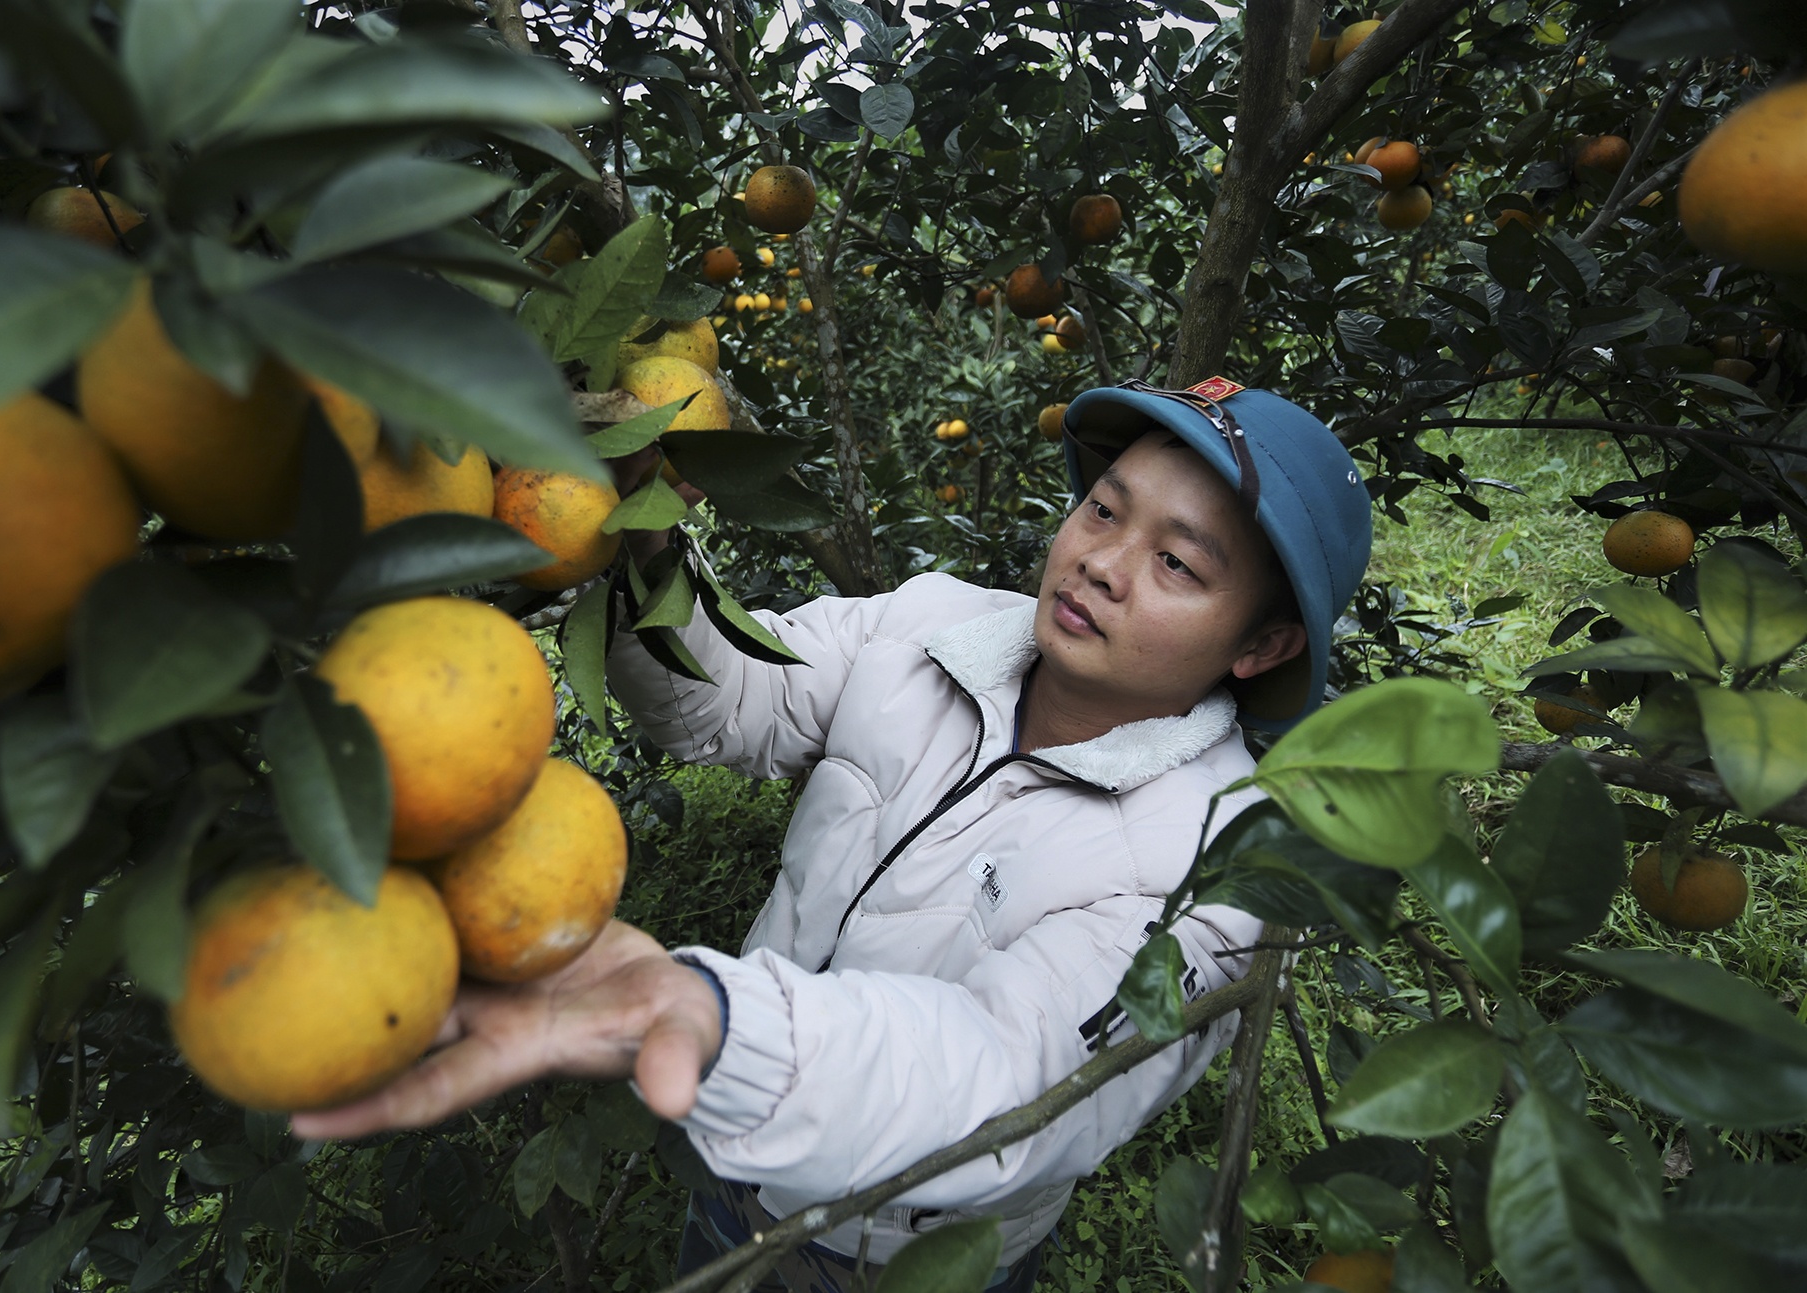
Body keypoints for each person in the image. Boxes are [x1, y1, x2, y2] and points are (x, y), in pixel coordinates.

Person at [293, 379, 1373, 1290]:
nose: (1102, 563)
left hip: (918, 1255)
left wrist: (716, 1018)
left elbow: (1007, 1081)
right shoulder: (934, 625)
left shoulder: (1227, 865)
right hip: (737, 1164)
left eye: (1178, 564)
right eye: (1102, 510)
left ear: (1261, 642)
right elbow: (730, 703)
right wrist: (641, 549)